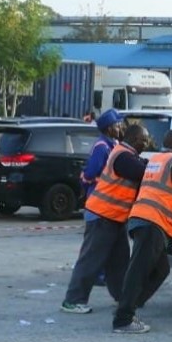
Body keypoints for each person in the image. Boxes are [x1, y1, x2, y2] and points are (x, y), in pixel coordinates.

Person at [112, 130, 172, 334]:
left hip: (142, 218)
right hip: (153, 221)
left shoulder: (157, 159)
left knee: (161, 269)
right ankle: (123, 318)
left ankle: (130, 304)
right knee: (139, 269)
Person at [60, 121, 148, 315]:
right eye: (144, 140)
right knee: (91, 260)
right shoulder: (123, 156)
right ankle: (72, 301)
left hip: (114, 217)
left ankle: (122, 298)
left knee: (119, 262)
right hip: (102, 215)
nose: (147, 144)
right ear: (133, 139)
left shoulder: (126, 154)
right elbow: (143, 173)